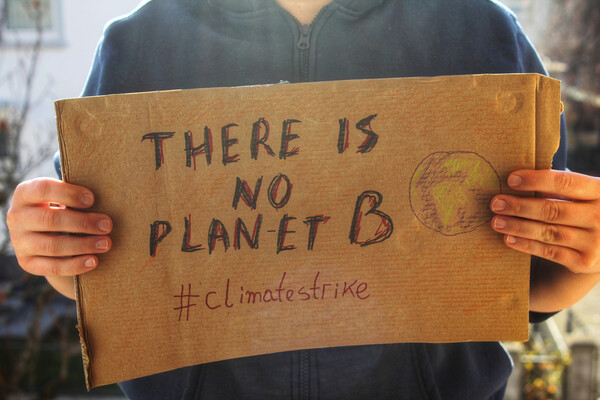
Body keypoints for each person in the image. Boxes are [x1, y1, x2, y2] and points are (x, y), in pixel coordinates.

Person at [6, 0, 600, 398]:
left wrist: (583, 260)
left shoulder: (482, 32)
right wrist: (51, 244)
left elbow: (523, 279)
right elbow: (100, 267)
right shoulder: (136, 44)